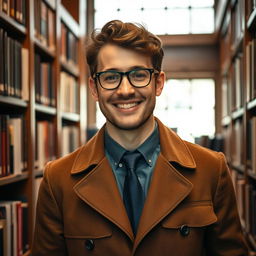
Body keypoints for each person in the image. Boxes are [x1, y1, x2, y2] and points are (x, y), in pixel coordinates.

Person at [32, 20, 248, 256]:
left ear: (158, 83)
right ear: (94, 88)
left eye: (138, 74)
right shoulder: (57, 181)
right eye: (111, 77)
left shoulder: (211, 169)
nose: (125, 90)